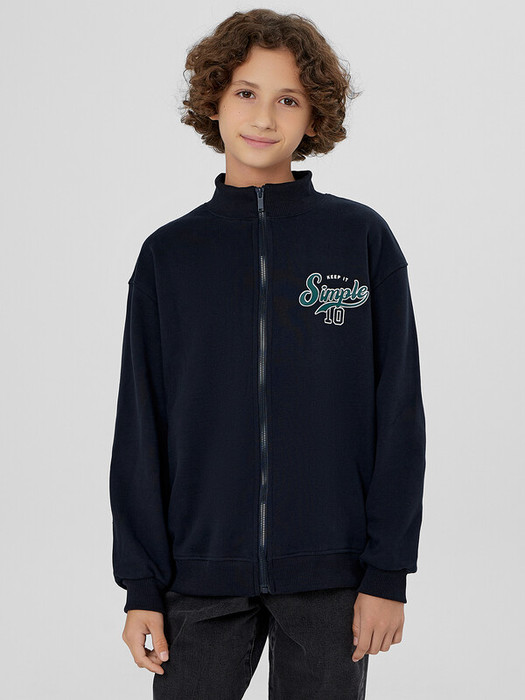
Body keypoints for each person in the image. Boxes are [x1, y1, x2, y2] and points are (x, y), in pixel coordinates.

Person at [109, 8, 426, 699]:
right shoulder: (169, 256)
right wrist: (141, 586)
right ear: (214, 100)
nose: (263, 116)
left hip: (332, 577)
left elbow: (399, 412)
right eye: (246, 92)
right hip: (197, 574)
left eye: (288, 99)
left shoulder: (360, 240)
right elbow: (140, 426)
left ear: (314, 116)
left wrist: (387, 573)